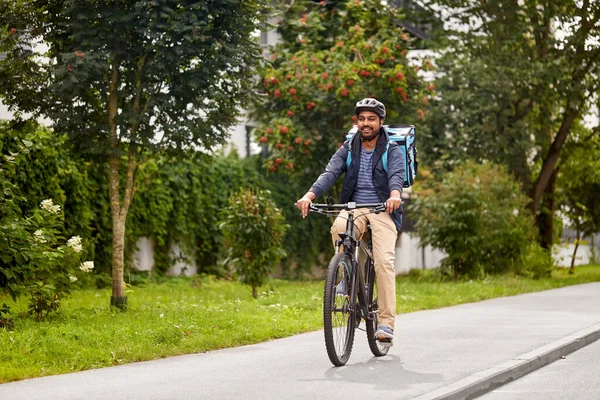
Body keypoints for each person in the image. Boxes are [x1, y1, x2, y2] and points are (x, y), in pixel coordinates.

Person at [296, 98, 404, 344]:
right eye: (362, 119)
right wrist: (309, 195)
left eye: (371, 119)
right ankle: (347, 276)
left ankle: (386, 324)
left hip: (382, 209)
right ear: (357, 122)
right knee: (339, 228)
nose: (366, 124)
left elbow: (397, 174)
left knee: (384, 262)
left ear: (380, 122)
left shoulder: (391, 149)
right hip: (353, 208)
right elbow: (331, 172)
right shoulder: (348, 148)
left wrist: (395, 195)